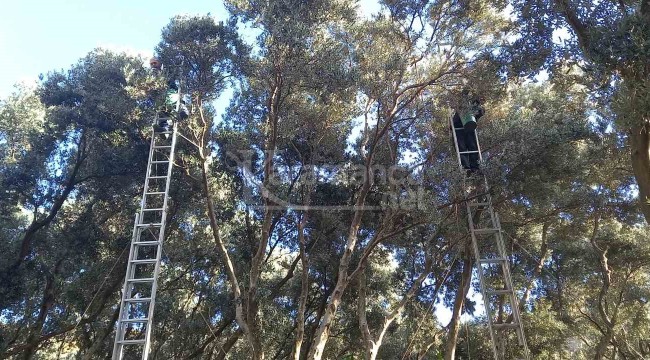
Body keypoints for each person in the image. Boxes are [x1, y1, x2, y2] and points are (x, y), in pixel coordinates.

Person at [149, 57, 188, 133]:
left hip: (171, 92)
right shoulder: (151, 75)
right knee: (160, 108)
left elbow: (176, 77)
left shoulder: (166, 71)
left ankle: (183, 110)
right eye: (151, 64)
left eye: (155, 63)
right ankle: (164, 128)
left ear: (159, 63)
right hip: (160, 97)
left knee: (173, 99)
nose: (153, 65)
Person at [453, 95, 485, 173]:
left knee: (473, 148)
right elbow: (455, 121)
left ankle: (475, 168)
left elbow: (480, 113)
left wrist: (479, 111)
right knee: (462, 148)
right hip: (459, 130)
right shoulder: (460, 109)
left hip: (470, 130)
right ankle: (466, 168)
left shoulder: (476, 109)